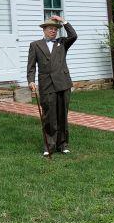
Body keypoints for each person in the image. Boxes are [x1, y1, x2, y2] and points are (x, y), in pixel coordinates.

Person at [27, 15, 77, 156]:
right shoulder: (35, 45)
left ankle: (63, 145)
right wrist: (31, 80)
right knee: (49, 116)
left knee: (62, 115)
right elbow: (31, 67)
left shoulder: (62, 43)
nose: (53, 31)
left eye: (55, 29)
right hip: (46, 85)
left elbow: (74, 35)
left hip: (63, 83)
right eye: (50, 28)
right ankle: (49, 146)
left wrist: (63, 21)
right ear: (44, 30)